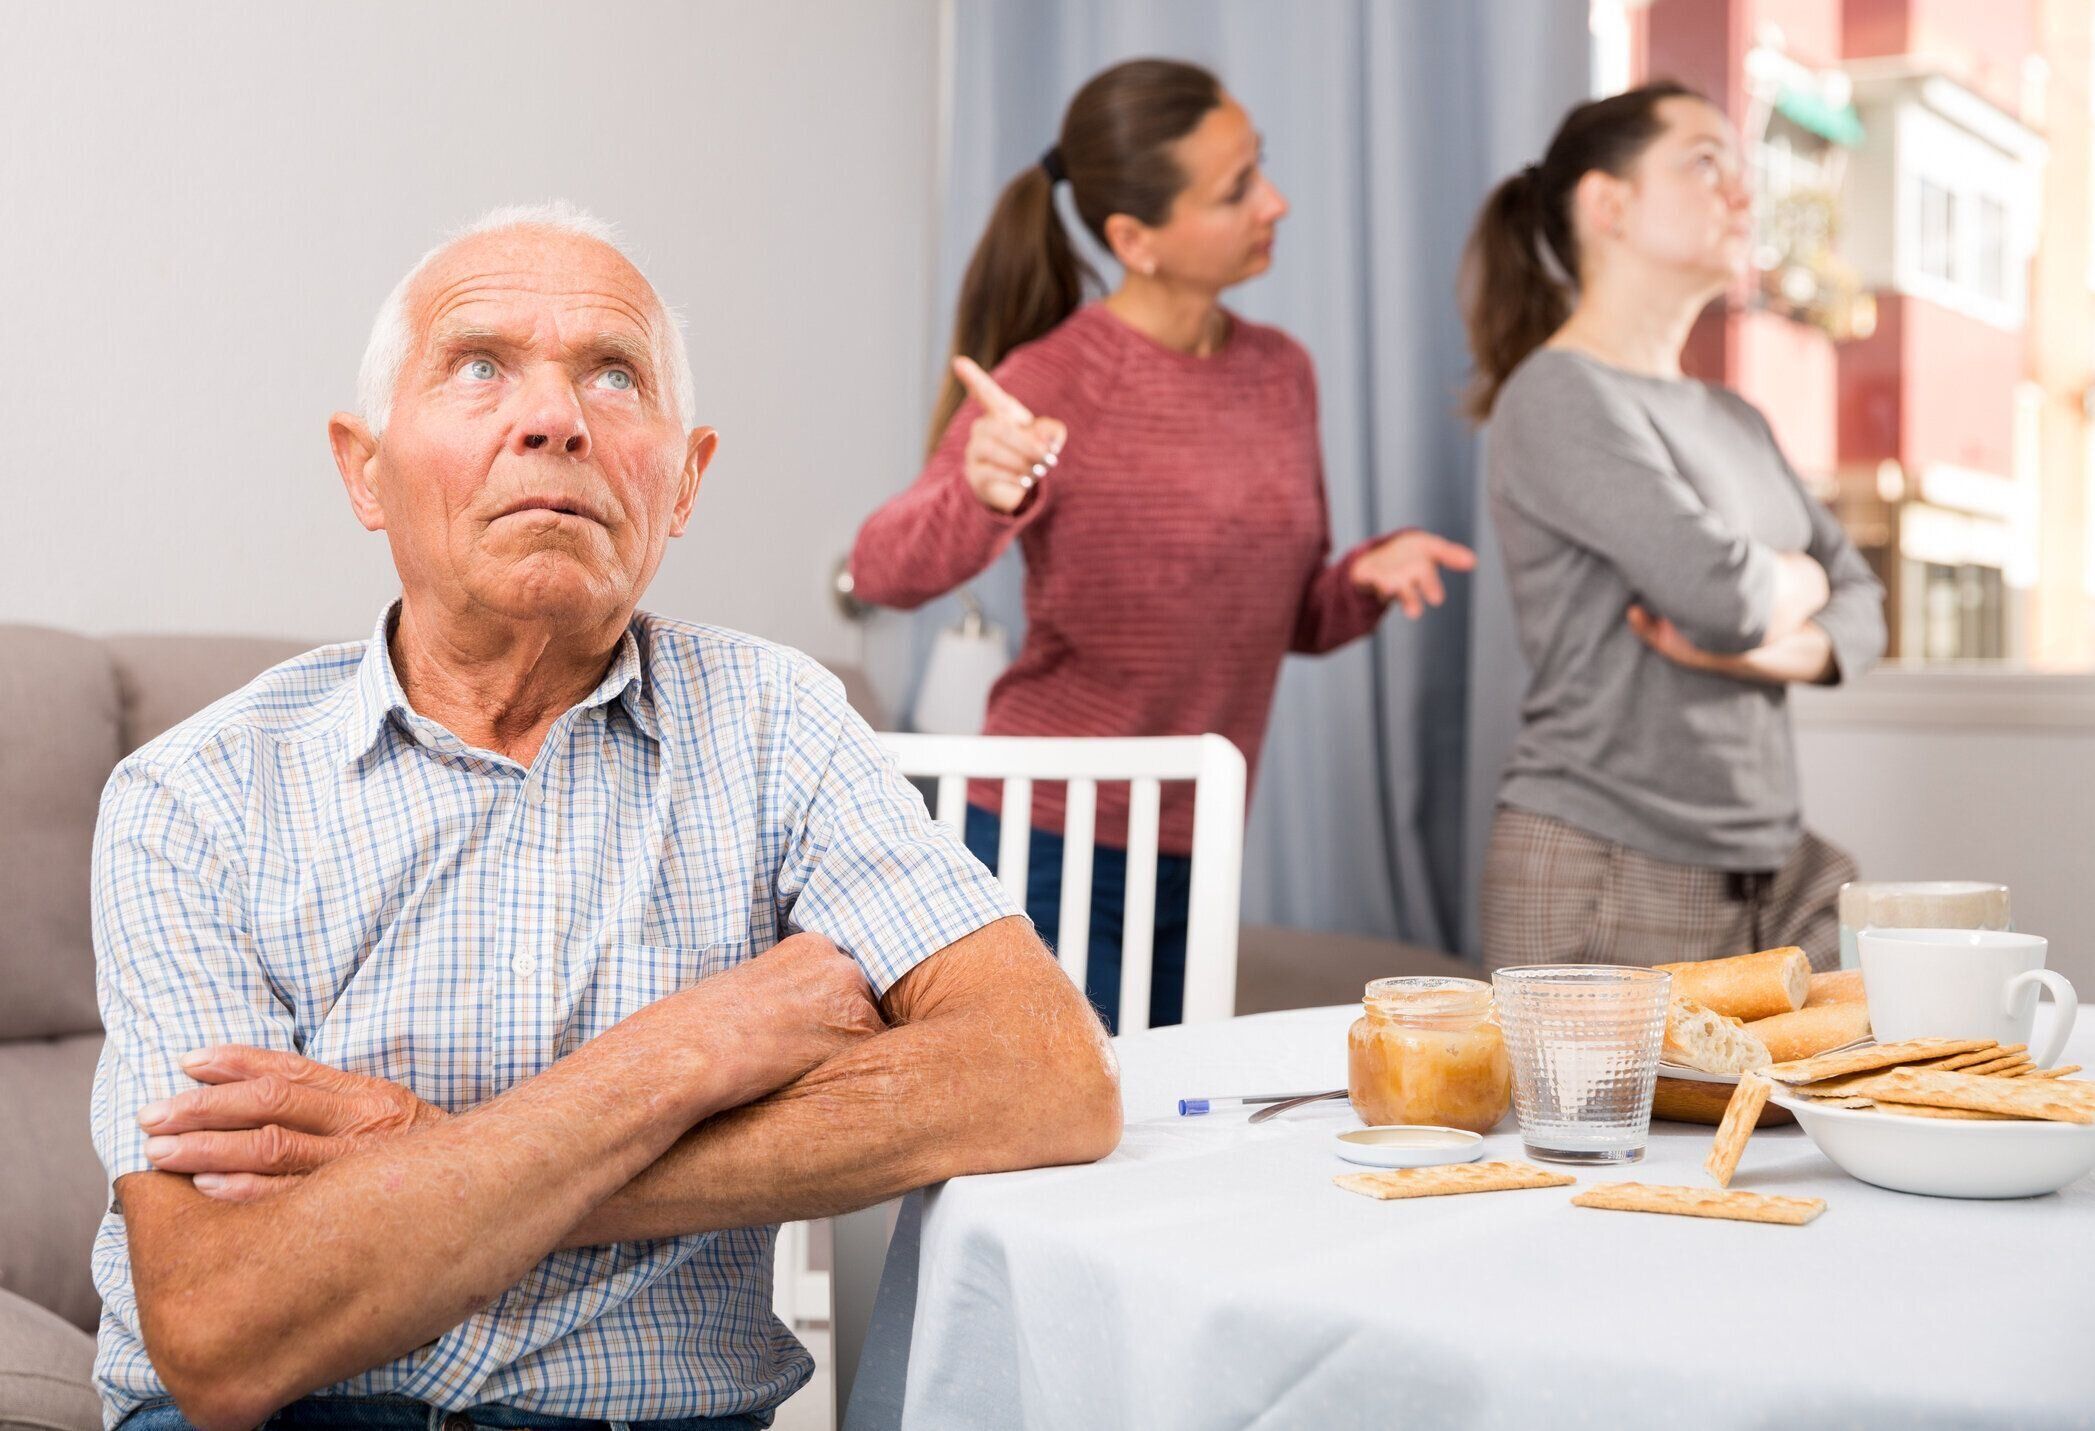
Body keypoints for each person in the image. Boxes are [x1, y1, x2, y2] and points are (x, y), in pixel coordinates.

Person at [88, 203, 1121, 1431]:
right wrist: (684, 1055)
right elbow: (220, 1333)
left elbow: (1043, 1075)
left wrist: (436, 1160)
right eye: (480, 367)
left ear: (683, 484)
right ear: (364, 470)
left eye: (614, 376)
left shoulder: (777, 719)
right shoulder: (191, 792)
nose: (555, 420)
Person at [849, 59, 1475, 1031]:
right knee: (1069, 1145)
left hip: (1200, 834)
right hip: (1046, 837)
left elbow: (1278, 616)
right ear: (1134, 240)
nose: (1276, 201)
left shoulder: (1279, 374)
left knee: (1165, 1142)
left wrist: (1359, 580)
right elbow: (885, 569)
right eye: (1236, 191)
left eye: (1258, 166)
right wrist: (980, 490)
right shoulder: (1052, 378)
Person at [1462, 83, 1887, 972]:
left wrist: (1756, 651)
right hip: (1604, 866)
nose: (1741, 193)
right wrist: (1800, 578)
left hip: (1764, 870)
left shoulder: (1734, 417)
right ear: (1606, 203)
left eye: (1740, 170)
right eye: (1703, 163)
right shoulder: (1559, 393)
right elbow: (1720, 593)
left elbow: (1866, 607)